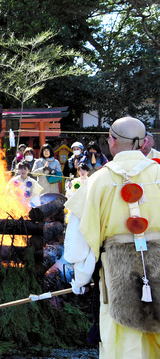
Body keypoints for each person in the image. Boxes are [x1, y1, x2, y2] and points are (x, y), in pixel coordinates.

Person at [64, 116, 160, 358]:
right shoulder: (158, 174)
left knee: (121, 340)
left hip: (116, 273)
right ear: (143, 142)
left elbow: (80, 236)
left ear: (112, 141)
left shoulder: (98, 180)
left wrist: (80, 278)